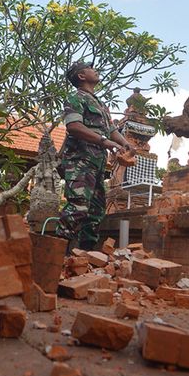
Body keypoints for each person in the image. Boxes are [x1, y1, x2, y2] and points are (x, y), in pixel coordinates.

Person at [56, 61, 134, 251]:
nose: (96, 70)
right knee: (78, 207)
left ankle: (85, 258)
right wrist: (104, 141)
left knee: (96, 213)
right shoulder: (75, 98)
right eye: (91, 69)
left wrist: (125, 143)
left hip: (97, 164)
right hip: (79, 162)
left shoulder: (99, 103)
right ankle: (57, 256)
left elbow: (111, 130)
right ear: (81, 76)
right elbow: (74, 127)